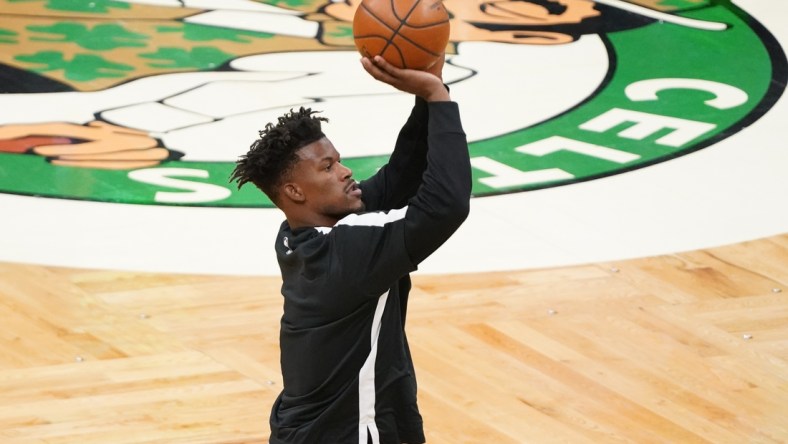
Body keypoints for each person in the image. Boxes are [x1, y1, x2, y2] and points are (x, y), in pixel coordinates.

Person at [230, 54, 471, 444]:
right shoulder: (345, 253)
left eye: (338, 161)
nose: (345, 172)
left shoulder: (302, 233)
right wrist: (439, 99)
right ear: (294, 191)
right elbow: (446, 206)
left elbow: (400, 178)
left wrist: (428, 94)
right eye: (327, 168)